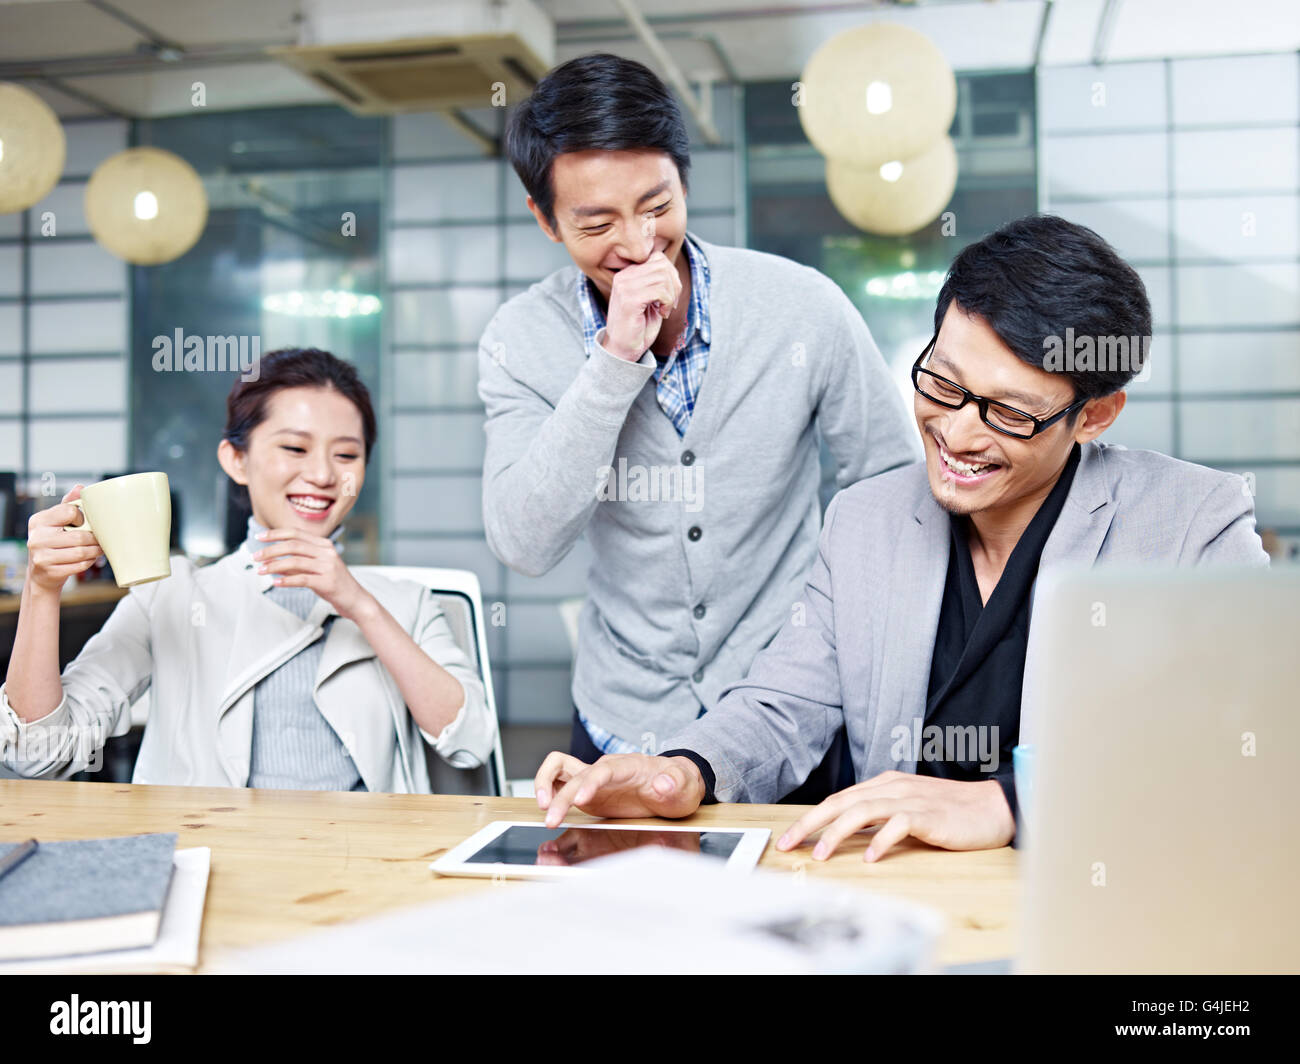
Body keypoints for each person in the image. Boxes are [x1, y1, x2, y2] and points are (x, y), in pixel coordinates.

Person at [532, 214, 1270, 859]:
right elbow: (784, 702)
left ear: (1097, 414)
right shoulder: (865, 520)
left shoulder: (1191, 525)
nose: (955, 432)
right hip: (894, 898)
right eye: (942, 384)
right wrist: (682, 770)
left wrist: (1012, 802)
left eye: (1009, 414)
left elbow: (1245, 747)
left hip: (1093, 909)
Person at [480, 54, 917, 794]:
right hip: (620, 721)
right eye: (597, 223)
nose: (639, 242)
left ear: (684, 179)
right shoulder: (519, 339)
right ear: (546, 221)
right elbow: (525, 541)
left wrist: (841, 645)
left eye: (657, 205)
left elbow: (890, 486)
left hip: (790, 716)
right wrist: (614, 361)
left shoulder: (802, 306)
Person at [1, 348, 497, 790]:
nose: (323, 475)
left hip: (364, 870)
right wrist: (41, 590)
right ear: (236, 459)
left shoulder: (402, 601)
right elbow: (39, 755)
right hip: (207, 867)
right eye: (295, 448)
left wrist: (358, 605)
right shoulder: (170, 595)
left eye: (346, 453)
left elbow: (471, 742)